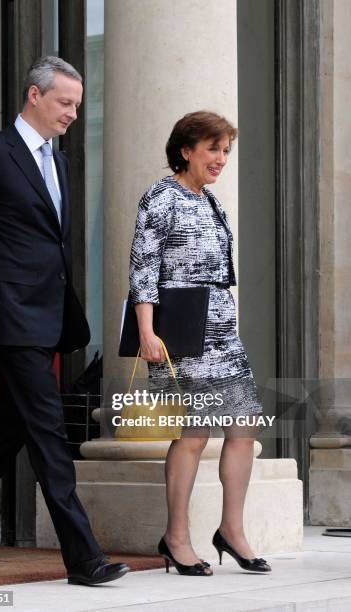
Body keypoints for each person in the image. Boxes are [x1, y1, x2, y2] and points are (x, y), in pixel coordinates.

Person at [0, 56, 128, 585]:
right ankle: (84, 557)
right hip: (8, 318)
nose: (72, 113)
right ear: (33, 96)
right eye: (64, 103)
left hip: (46, 317)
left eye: (77, 104)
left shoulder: (60, 162)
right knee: (49, 434)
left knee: (6, 433)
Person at [129, 111, 271, 576]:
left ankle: (231, 530)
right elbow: (144, 267)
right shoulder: (161, 196)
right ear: (186, 150)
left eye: (226, 150)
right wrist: (147, 332)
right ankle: (176, 537)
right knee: (194, 432)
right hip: (181, 332)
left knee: (244, 429)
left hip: (223, 332)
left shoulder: (211, 202)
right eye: (213, 148)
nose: (221, 159)